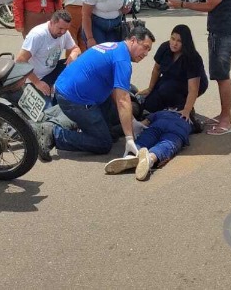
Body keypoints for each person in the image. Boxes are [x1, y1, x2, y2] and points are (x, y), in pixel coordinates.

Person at [33, 26, 156, 158]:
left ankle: (93, 128)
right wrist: (129, 138)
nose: (145, 54)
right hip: (74, 99)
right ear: (133, 40)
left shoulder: (115, 46)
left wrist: (132, 121)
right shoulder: (122, 60)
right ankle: (53, 133)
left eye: (148, 50)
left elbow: (115, 91)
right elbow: (122, 100)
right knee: (103, 143)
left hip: (69, 88)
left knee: (120, 118)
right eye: (145, 47)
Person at [161, 0, 231, 135]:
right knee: (219, 74)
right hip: (217, 31)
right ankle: (224, 115)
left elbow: (209, 5)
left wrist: (180, 4)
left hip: (224, 33)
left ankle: (226, 119)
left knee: (222, 76)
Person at [138, 24, 208, 118]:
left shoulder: (192, 58)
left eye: (179, 41)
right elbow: (156, 69)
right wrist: (150, 89)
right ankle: (169, 105)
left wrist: (186, 110)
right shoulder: (165, 47)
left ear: (185, 42)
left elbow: (193, 89)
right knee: (150, 104)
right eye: (173, 39)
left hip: (192, 84)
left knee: (167, 90)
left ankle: (185, 107)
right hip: (170, 78)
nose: (174, 43)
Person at [103, 109, 193, 181]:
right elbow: (199, 128)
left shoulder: (162, 112)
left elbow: (144, 123)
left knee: (145, 139)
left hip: (159, 124)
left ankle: (131, 155)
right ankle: (150, 158)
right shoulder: (189, 120)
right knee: (166, 146)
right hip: (178, 131)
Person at [15, 10, 81, 96]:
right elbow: (20, 61)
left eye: (66, 29)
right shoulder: (38, 35)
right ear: (52, 23)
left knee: (79, 62)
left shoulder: (64, 33)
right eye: (60, 28)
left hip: (51, 71)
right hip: (34, 77)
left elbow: (76, 49)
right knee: (48, 107)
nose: (63, 32)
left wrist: (73, 55)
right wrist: (37, 83)